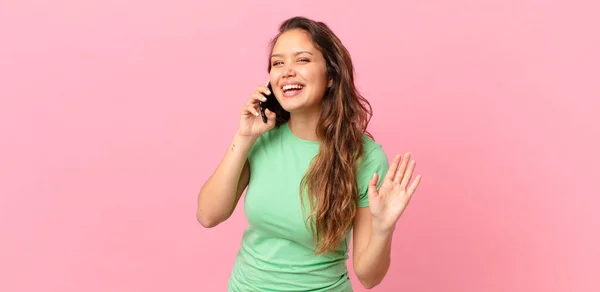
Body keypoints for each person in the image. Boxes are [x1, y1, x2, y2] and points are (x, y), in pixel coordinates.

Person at [197, 16, 422, 291]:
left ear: (330, 75)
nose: (287, 71)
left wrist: (383, 228)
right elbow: (208, 215)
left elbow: (368, 276)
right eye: (278, 63)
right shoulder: (260, 139)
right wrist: (244, 138)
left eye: (302, 60)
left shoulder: (365, 157)